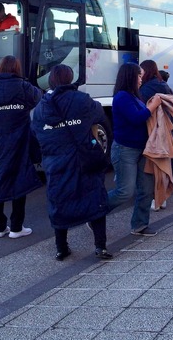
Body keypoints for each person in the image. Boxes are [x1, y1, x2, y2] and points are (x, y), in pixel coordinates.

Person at [31, 64, 114, 260]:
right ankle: (100, 246)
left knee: (59, 203)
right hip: (84, 158)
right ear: (70, 78)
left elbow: (36, 133)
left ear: (51, 80)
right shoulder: (82, 100)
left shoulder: (42, 106)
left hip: (55, 162)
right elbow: (100, 118)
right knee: (95, 199)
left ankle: (61, 248)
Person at [0, 55, 42, 239]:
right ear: (16, 69)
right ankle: (16, 227)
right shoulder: (23, 87)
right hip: (19, 141)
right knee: (19, 180)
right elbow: (39, 99)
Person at [107, 62, 162, 236]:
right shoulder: (122, 97)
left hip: (142, 149)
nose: (141, 79)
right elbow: (137, 118)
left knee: (146, 189)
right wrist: (152, 107)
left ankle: (140, 225)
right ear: (130, 76)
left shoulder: (133, 96)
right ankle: (94, 210)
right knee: (125, 191)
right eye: (139, 76)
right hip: (125, 150)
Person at [139, 59, 173, 210]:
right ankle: (163, 195)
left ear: (146, 71)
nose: (139, 75)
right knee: (165, 161)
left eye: (141, 72)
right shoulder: (163, 85)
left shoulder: (146, 88)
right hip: (166, 127)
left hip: (153, 129)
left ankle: (156, 196)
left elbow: (142, 111)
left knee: (153, 162)